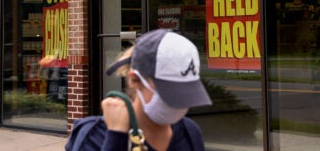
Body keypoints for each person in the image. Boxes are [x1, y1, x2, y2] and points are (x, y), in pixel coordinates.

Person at [66, 29, 212, 151]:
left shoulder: (189, 133)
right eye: (171, 92)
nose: (179, 103)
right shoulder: (94, 135)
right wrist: (116, 137)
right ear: (135, 80)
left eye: (187, 94)